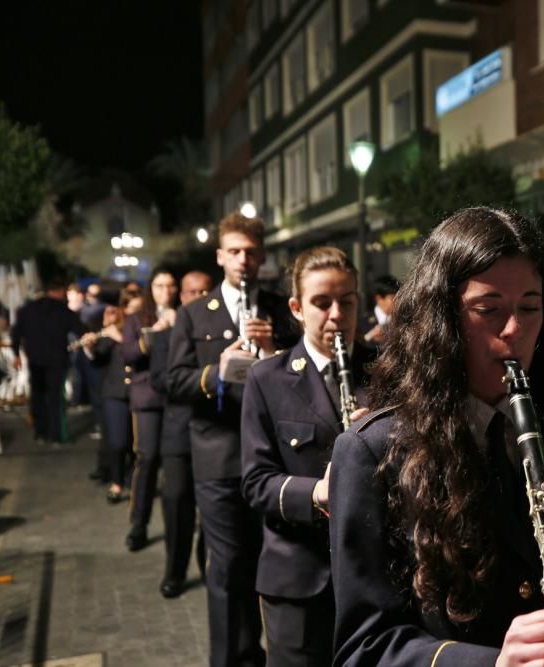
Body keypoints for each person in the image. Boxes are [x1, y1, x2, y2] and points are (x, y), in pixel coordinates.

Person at [328, 207, 544, 666]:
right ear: (442, 320)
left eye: (530, 308)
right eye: (488, 310)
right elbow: (363, 648)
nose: (514, 330)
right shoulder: (373, 451)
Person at [168, 212, 298, 667]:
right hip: (218, 455)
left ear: (262, 256)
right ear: (221, 256)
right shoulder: (192, 313)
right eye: (235, 252)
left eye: (251, 252)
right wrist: (214, 373)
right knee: (226, 569)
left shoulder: (283, 310)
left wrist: (274, 354)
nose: (244, 260)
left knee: (274, 563)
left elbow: (303, 374)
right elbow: (174, 380)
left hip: (272, 459)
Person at [241, 247, 372, 666]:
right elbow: (256, 482)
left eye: (347, 301)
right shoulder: (267, 379)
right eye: (322, 303)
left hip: (374, 575)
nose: (337, 315)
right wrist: (318, 492)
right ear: (297, 308)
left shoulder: (389, 369)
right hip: (300, 579)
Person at [149, 270, 211, 599]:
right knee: (176, 505)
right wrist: (203, 380)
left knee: (212, 509)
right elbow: (161, 379)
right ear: (182, 297)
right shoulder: (166, 336)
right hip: (179, 434)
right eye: (191, 292)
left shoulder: (221, 335)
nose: (198, 298)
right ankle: (174, 571)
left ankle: (207, 568)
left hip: (214, 435)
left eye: (204, 291)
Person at [122, 269, 179, 552]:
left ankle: (179, 524)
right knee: (147, 459)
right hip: (148, 398)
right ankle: (138, 524)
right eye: (159, 286)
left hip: (177, 397)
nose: (165, 292)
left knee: (177, 463)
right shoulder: (137, 318)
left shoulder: (185, 313)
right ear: (151, 289)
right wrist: (156, 332)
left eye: (170, 286)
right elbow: (129, 353)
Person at [10, 274, 86, 444]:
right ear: (60, 291)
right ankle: (56, 435)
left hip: (35, 359)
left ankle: (41, 432)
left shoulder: (28, 309)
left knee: (37, 396)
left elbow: (15, 333)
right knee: (55, 398)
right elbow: (81, 331)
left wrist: (16, 354)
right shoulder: (64, 311)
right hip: (57, 360)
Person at [84, 303, 133, 503]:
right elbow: (98, 359)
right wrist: (89, 347)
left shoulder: (132, 330)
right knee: (118, 441)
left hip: (139, 391)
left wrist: (120, 338)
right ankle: (117, 481)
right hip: (114, 392)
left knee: (138, 444)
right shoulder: (110, 332)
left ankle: (134, 479)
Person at [359, 273, 399, 351]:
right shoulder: (363, 324)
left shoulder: (402, 321)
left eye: (399, 297)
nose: (398, 302)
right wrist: (371, 338)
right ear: (379, 299)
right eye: (393, 298)